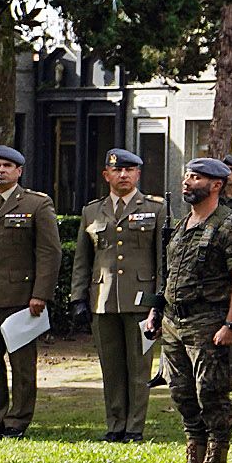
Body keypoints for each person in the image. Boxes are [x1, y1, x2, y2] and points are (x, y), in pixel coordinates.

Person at [154, 158, 232, 463]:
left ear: (215, 185)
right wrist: (158, 311)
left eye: (196, 177)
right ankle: (194, 458)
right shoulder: (182, 225)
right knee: (181, 392)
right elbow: (168, 274)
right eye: (186, 175)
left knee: (211, 392)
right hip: (174, 321)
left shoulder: (229, 226)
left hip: (209, 321)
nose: (187, 181)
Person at [71, 148, 168, 441]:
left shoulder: (156, 208)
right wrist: (78, 296)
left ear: (138, 174)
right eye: (117, 170)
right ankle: (115, 425)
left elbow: (163, 259)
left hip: (142, 301)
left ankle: (134, 427)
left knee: (139, 368)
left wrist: (160, 301)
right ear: (106, 175)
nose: (123, 175)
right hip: (103, 299)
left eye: (129, 170)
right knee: (111, 368)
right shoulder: (92, 210)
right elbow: (82, 258)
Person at [0, 145, 61, 439]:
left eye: (7, 166)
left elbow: (49, 252)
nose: (0, 170)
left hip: (21, 298)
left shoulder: (36, 204)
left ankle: (17, 420)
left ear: (18, 171)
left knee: (22, 365)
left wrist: (41, 294)